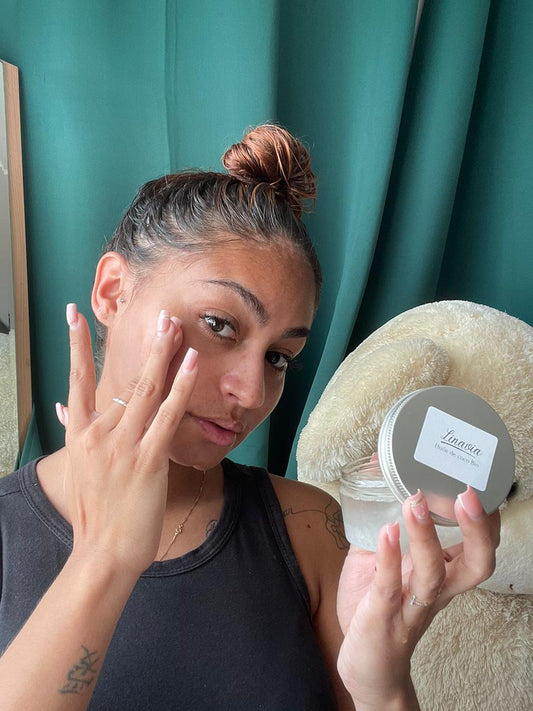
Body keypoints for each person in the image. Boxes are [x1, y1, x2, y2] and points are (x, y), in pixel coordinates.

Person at [0, 124, 499, 710]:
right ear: (113, 291)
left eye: (278, 357)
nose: (252, 389)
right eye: (219, 324)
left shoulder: (309, 529)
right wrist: (104, 556)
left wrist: (382, 684)